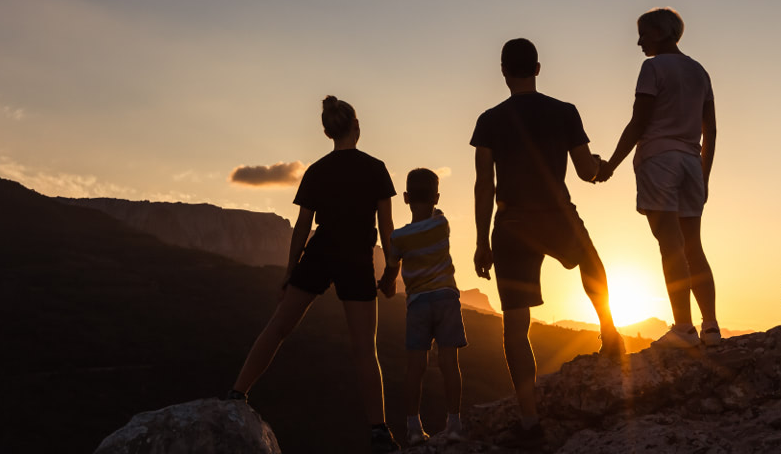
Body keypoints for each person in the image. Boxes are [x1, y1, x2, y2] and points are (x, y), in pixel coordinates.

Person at [227, 96, 401, 453]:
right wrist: (391, 271)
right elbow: (387, 229)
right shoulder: (376, 168)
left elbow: (302, 227)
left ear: (327, 132)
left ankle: (237, 393)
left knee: (278, 327)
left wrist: (290, 271)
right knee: (365, 349)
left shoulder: (317, 171)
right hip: (356, 258)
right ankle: (379, 432)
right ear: (356, 126)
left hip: (320, 253)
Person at [471, 38, 622, 447]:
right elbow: (585, 170)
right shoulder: (564, 112)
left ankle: (529, 421)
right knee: (591, 264)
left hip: (512, 224)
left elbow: (484, 185)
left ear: (504, 71)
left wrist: (482, 241)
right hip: (556, 216)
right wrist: (601, 169)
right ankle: (610, 333)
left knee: (516, 326)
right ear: (538, 69)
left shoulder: (489, 120)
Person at [597, 7, 721, 349]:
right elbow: (710, 129)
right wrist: (704, 175)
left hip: (659, 161)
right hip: (691, 163)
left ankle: (683, 329)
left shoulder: (652, 68)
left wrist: (610, 165)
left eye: (644, 34)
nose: (639, 42)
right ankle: (711, 327)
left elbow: (639, 122)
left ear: (664, 33)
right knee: (693, 245)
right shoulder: (699, 71)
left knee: (670, 246)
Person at [377, 168, 467, 446]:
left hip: (418, 305)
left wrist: (386, 286)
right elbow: (434, 211)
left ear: (405, 198)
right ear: (436, 198)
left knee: (415, 368)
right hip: (446, 300)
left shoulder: (398, 238)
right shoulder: (442, 224)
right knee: (449, 363)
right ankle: (454, 424)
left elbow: (391, 270)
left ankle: (414, 428)